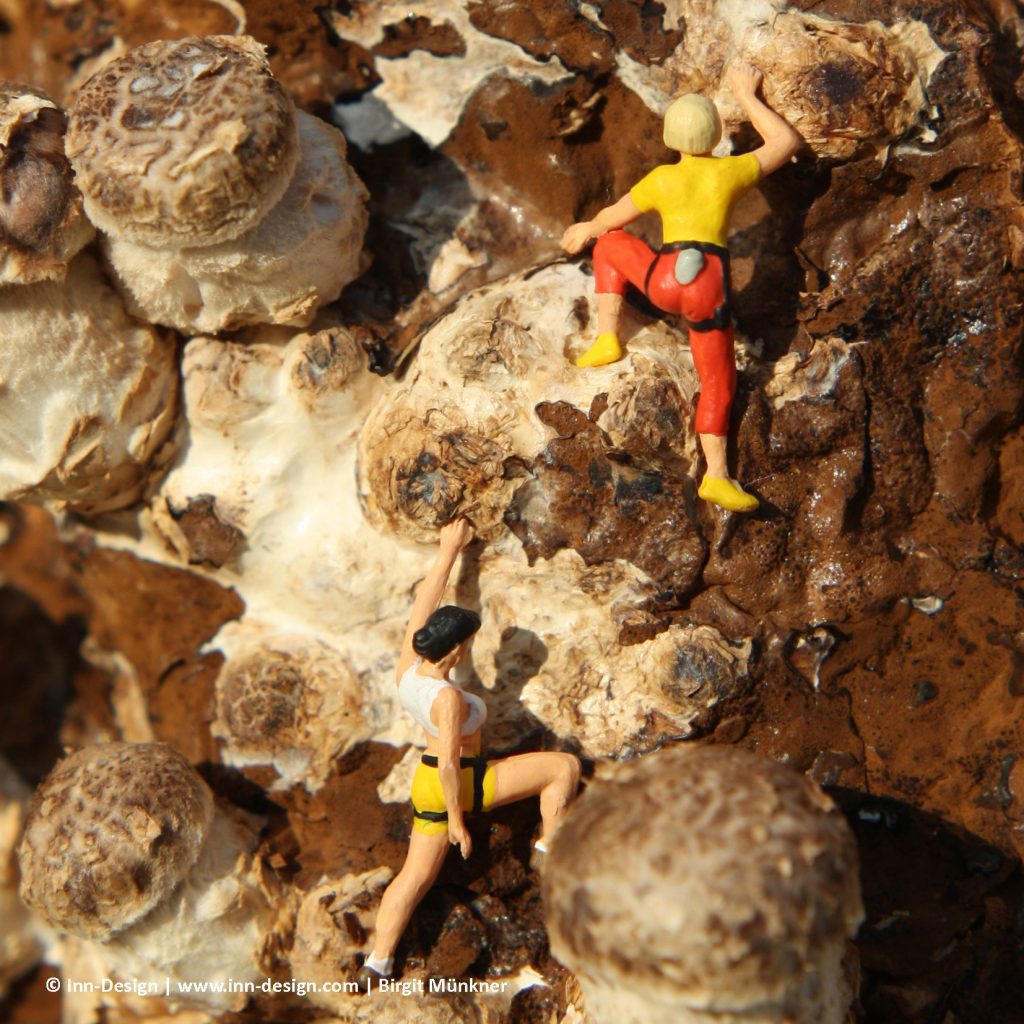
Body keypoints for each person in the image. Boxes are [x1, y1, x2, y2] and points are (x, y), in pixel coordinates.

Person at [561, 62, 802, 514]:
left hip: (664, 281)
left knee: (612, 245)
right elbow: (786, 143)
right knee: (718, 382)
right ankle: (716, 476)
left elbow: (612, 217)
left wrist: (585, 229)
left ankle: (608, 337)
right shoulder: (728, 173)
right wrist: (746, 94)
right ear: (714, 135)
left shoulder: (662, 179)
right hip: (707, 290)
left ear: (671, 136)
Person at [357, 518, 581, 990]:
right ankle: (551, 849)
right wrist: (459, 822)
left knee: (412, 881)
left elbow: (426, 599)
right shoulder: (449, 701)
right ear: (456, 651)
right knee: (563, 767)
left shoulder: (409, 669)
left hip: (425, 784)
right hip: (458, 782)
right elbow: (450, 763)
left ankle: (378, 961)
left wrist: (449, 549)